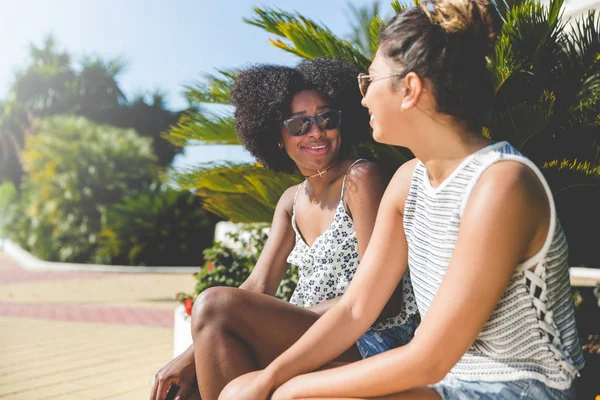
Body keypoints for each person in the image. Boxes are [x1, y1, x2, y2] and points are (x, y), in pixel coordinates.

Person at [220, 1, 585, 399]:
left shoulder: (500, 184)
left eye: (369, 81)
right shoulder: (407, 181)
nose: (362, 100)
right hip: (447, 380)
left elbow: (430, 358)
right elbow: (355, 308)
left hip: (523, 387)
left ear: (409, 89)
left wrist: (287, 389)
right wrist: (269, 377)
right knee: (244, 388)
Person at [150, 58, 419, 400]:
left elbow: (386, 301)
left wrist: (276, 321)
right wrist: (188, 355)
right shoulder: (291, 201)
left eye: (326, 118)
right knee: (195, 379)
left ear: (343, 121)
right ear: (275, 136)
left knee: (214, 306)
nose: (316, 132)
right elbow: (259, 287)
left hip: (369, 340)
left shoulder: (361, 178)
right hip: (308, 338)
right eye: (299, 125)